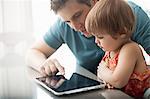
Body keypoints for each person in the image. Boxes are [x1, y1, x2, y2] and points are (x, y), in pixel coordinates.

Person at [26, 0, 150, 76]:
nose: (75, 27)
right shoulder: (64, 26)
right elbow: (33, 53)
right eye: (68, 21)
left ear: (94, 1)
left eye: (78, 15)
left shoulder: (129, 15)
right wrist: (44, 64)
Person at [85, 0, 150, 98]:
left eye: (100, 37)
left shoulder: (130, 49)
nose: (96, 41)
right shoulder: (111, 50)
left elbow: (118, 81)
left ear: (121, 32)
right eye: (94, 36)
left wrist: (103, 72)